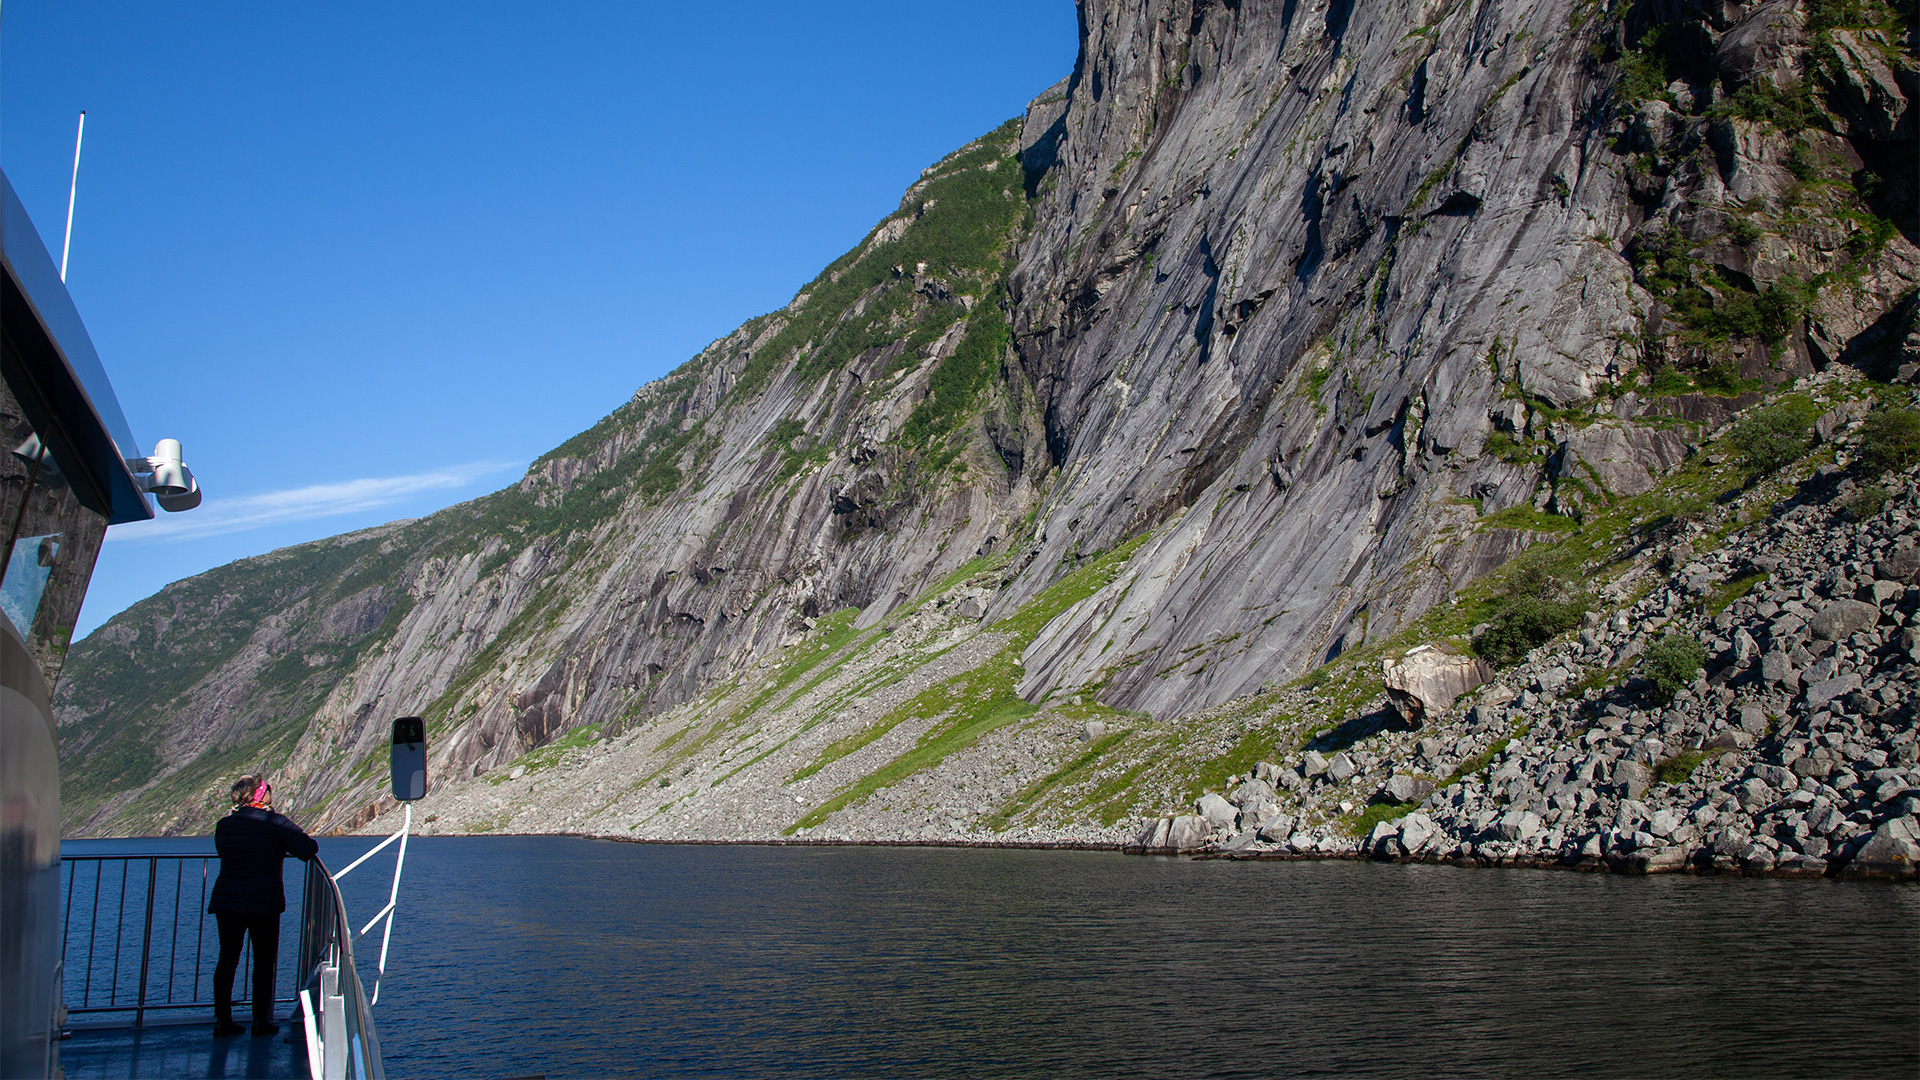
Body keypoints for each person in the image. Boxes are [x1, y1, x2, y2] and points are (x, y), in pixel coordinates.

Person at [209, 775, 317, 1037]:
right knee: (263, 962)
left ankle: (223, 1021)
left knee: (227, 960)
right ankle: (261, 1021)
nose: (270, 791)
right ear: (259, 795)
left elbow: (224, 851)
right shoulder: (274, 822)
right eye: (267, 789)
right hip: (263, 902)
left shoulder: (225, 824)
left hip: (228, 900)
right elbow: (307, 849)